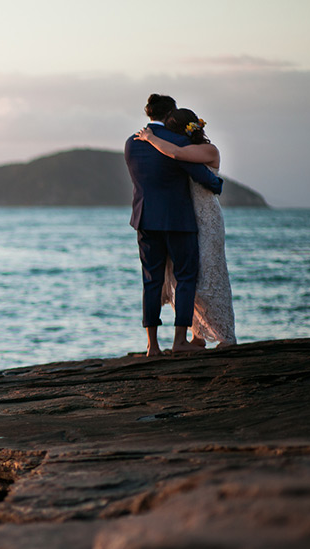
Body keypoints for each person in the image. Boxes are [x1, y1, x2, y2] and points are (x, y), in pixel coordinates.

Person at [124, 94, 223, 356]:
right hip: (178, 219)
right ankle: (180, 341)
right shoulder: (177, 141)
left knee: (151, 280)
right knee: (186, 276)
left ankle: (152, 345)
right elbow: (203, 177)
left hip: (145, 219)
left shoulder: (130, 144)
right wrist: (217, 184)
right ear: (170, 115)